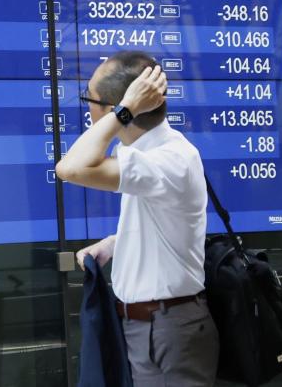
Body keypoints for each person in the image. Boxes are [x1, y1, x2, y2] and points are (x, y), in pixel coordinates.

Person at [55, 51, 219, 386]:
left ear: (113, 107)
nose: (86, 108)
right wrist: (115, 244)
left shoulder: (168, 159)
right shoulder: (148, 155)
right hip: (149, 324)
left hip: (169, 328)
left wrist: (124, 110)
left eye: (89, 98)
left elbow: (69, 168)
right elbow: (165, 226)